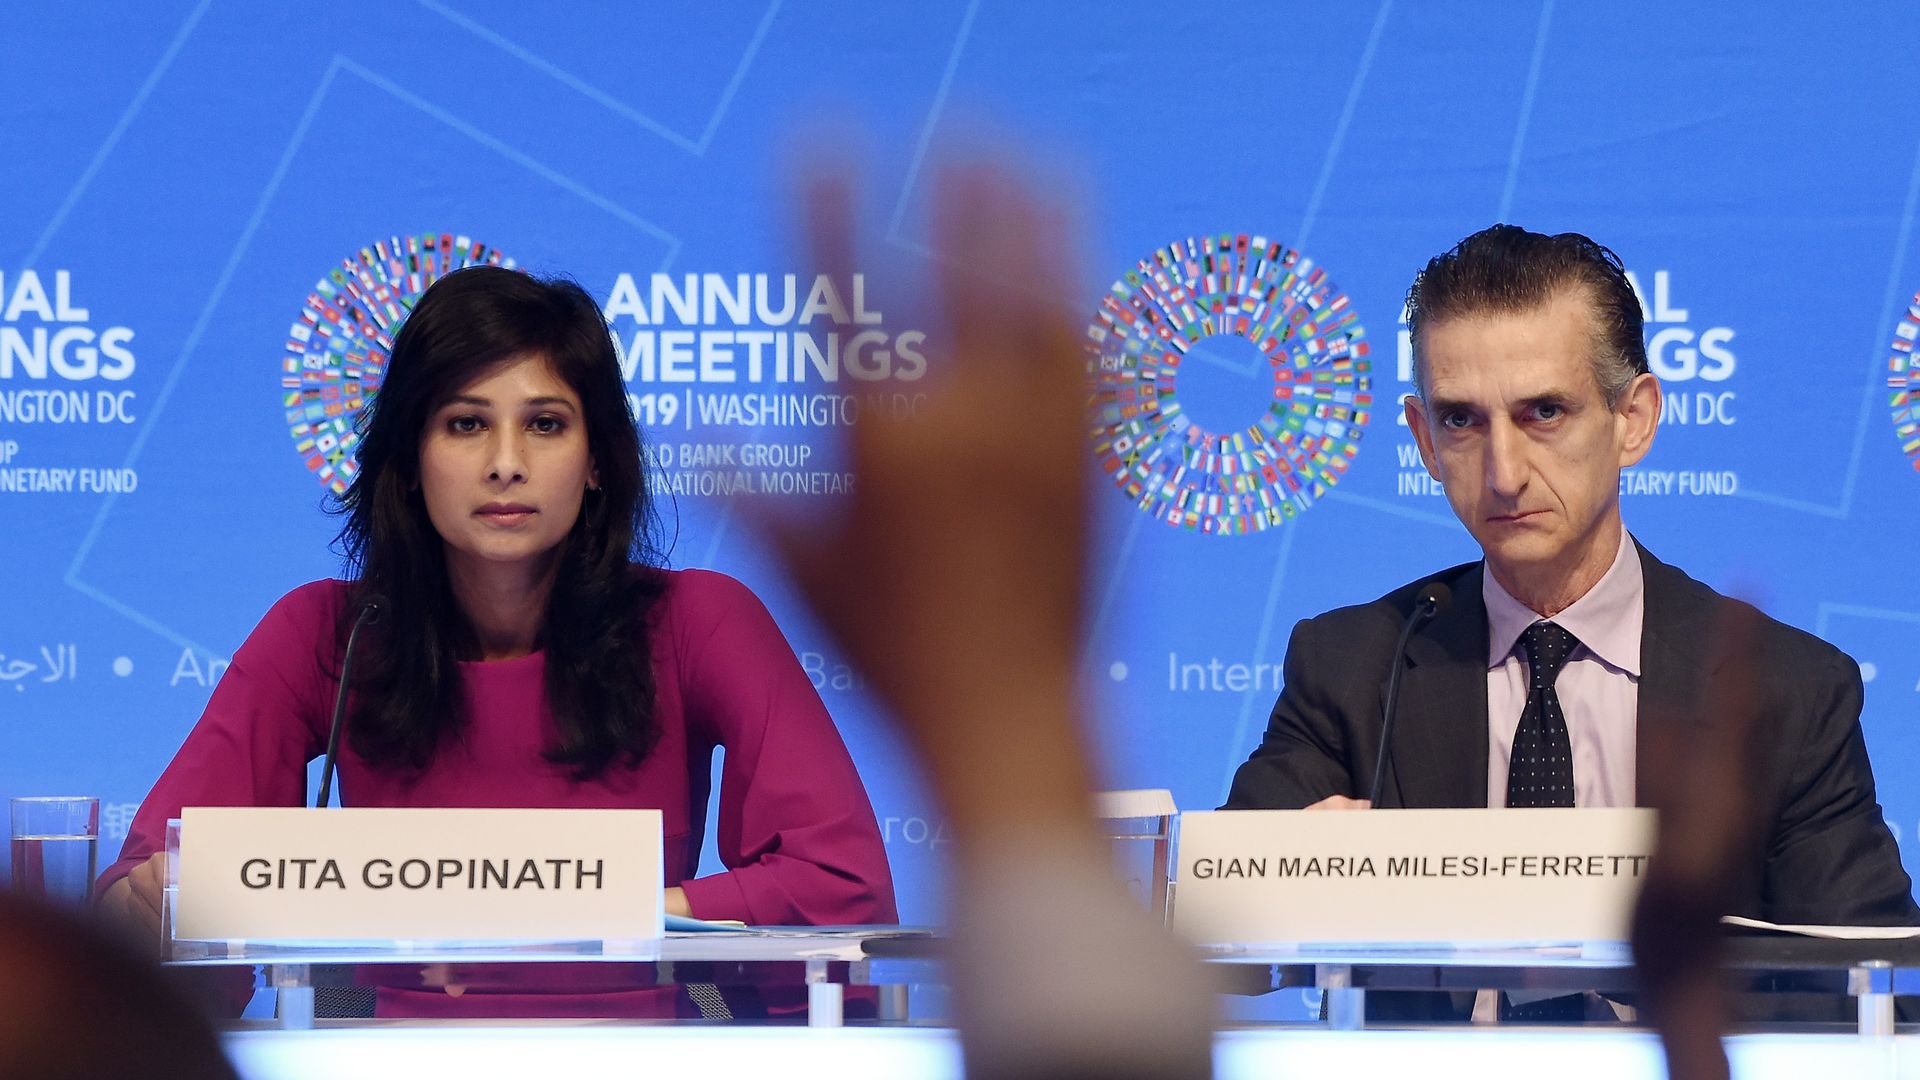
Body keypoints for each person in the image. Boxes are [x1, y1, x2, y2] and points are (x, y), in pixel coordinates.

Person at [96, 266, 897, 1017]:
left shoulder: (697, 619)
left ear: (595, 463)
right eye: (466, 424)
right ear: (410, 459)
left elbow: (841, 885)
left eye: (545, 424)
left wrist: (600, 916)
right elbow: (139, 898)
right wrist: (155, 907)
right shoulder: (327, 633)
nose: (506, 464)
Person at [1224, 224, 1919, 1018]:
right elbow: (1222, 944)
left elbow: (1873, 989)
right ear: (1420, 439)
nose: (1504, 472)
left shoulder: (1785, 690)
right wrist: (1290, 883)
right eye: (1461, 421)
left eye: (1544, 412)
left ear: (1635, 420)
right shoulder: (1355, 664)